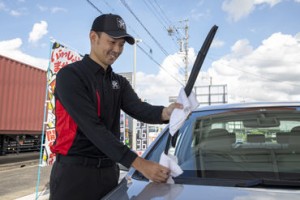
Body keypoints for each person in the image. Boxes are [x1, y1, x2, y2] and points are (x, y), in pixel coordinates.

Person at [49, 13, 182, 200]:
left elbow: (139, 108)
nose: (117, 50)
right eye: (112, 42)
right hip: (75, 174)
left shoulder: (118, 82)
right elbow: (93, 128)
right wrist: (139, 163)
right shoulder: (71, 76)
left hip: (109, 172)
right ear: (93, 37)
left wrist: (165, 112)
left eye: (121, 45)